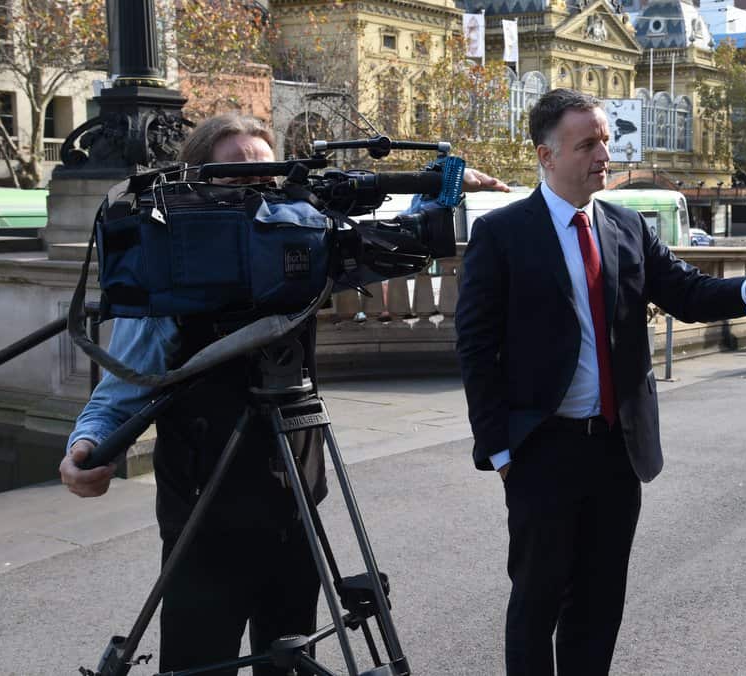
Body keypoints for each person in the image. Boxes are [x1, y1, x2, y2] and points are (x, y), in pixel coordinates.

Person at [59, 113, 509, 674]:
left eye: (265, 180)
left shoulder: (303, 239)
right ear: (197, 182)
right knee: (200, 662)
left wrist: (441, 186)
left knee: (293, 659)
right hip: (205, 515)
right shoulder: (173, 265)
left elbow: (398, 240)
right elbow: (124, 383)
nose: (254, 197)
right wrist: (90, 444)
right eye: (236, 179)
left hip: (295, 502)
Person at [454, 88, 746, 675]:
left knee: (599, 602)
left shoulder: (627, 225)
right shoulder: (502, 234)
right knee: (537, 603)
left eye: (606, 141)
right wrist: (504, 450)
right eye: (587, 144)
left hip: (617, 449)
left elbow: (687, 292)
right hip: (542, 450)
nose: (603, 154)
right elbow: (476, 348)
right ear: (546, 155)